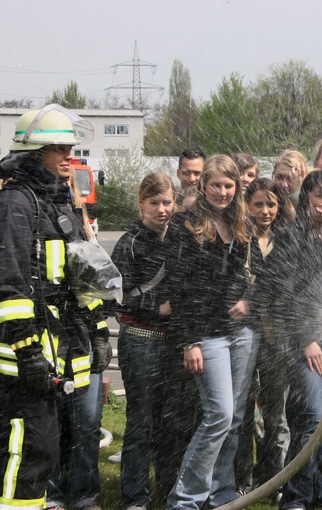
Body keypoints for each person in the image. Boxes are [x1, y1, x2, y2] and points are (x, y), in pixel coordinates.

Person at [0, 104, 112, 510]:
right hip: (23, 358)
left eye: (72, 147)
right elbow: (10, 283)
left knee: (53, 450)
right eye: (59, 149)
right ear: (34, 154)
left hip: (61, 351)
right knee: (27, 452)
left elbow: (82, 274)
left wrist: (98, 330)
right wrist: (27, 349)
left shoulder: (61, 200)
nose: (70, 156)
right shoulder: (16, 202)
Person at [164, 155, 259, 510]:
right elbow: (178, 286)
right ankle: (185, 499)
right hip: (206, 333)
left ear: (237, 188)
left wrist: (250, 300)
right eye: (216, 184)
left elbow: (260, 275)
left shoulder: (241, 225)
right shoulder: (185, 225)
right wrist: (188, 341)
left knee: (233, 418)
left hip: (241, 331)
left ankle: (221, 494)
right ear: (203, 186)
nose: (222, 192)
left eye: (228, 185)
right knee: (218, 414)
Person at [258, 170, 322, 510]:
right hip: (302, 342)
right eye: (319, 196)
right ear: (306, 197)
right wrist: (306, 338)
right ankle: (296, 497)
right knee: (312, 416)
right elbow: (284, 295)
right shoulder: (291, 237)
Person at [110, 172, 179, 510]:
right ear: (141, 204)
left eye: (167, 202)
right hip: (139, 340)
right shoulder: (129, 243)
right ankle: (135, 498)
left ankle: (167, 494)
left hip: (172, 344)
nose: (162, 209)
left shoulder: (180, 238)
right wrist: (159, 307)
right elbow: (116, 298)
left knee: (170, 422)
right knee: (141, 421)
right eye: (155, 203)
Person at [46, 170, 104, 510]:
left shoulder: (82, 234)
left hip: (82, 340)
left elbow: (92, 291)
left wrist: (98, 334)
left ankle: (84, 495)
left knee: (87, 424)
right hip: (49, 342)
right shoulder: (31, 228)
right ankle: (51, 496)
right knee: (51, 425)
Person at [235, 178, 293, 498]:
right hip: (243, 333)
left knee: (276, 413)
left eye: (271, 204)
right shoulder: (239, 236)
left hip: (277, 335)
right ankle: (242, 481)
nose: (265, 211)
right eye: (258, 204)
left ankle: (274, 481)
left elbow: (283, 284)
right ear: (247, 205)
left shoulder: (287, 238)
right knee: (243, 410)